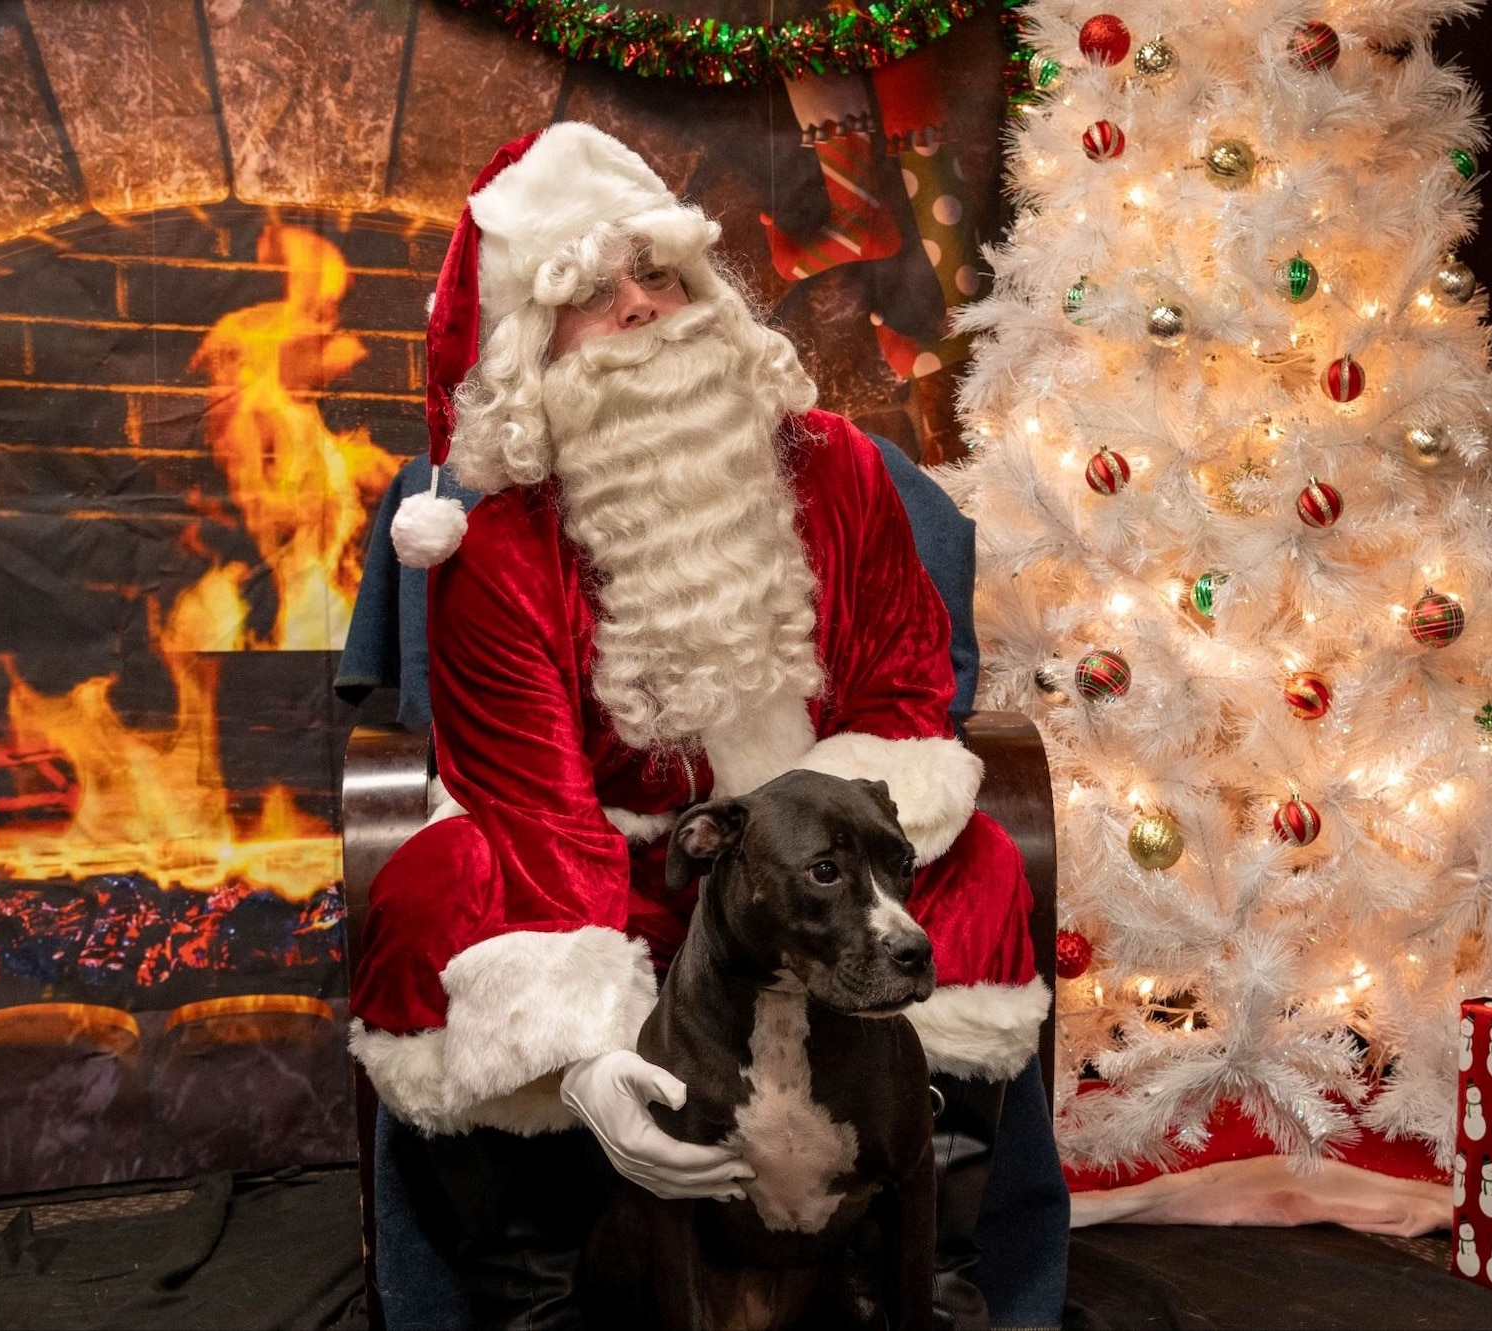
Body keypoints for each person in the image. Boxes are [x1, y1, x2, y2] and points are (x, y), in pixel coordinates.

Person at [348, 122, 1066, 1330]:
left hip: (820, 853)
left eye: (661, 274)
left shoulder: (838, 469)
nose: (641, 307)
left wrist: (804, 862)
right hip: (612, 876)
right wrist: (584, 1056)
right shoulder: (502, 547)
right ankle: (548, 1292)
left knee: (984, 863)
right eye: (589, 293)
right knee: (435, 894)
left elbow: (900, 696)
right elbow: (531, 813)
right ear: (531, 345)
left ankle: (913, 1277)